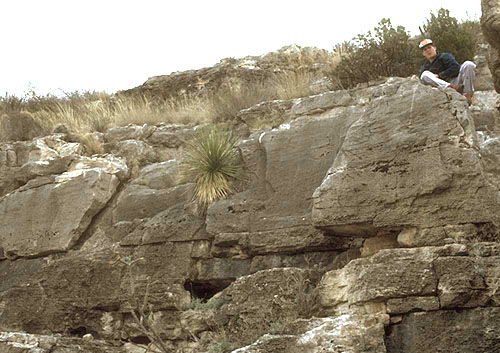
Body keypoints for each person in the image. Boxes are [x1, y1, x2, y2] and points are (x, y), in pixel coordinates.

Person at [412, 39, 476, 104]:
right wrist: (415, 78)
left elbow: (456, 68)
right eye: (425, 49)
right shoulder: (425, 66)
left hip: (456, 81)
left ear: (434, 48)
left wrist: (440, 75)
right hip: (444, 88)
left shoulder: (445, 56)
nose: (428, 50)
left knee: (469, 64)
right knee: (424, 74)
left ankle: (467, 94)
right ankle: (451, 88)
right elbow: (422, 78)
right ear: (423, 54)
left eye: (429, 47)